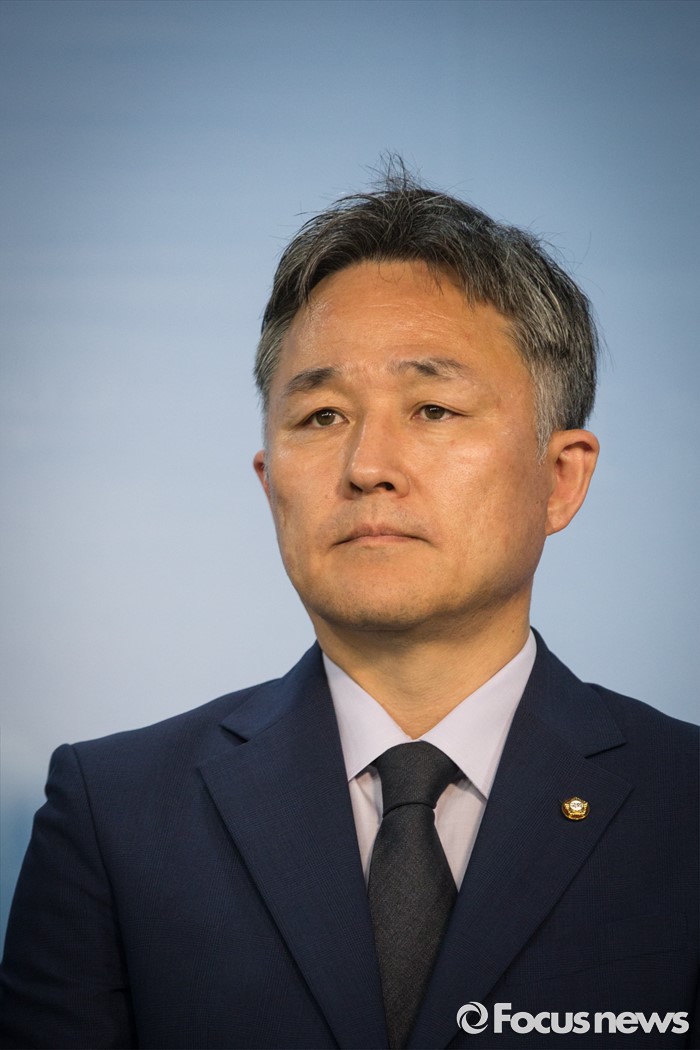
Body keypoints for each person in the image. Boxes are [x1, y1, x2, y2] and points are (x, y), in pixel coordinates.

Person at [1, 165, 697, 1050]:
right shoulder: (116, 815)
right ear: (269, 484)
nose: (368, 465)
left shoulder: (684, 806)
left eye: (433, 408)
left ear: (561, 478)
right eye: (322, 416)